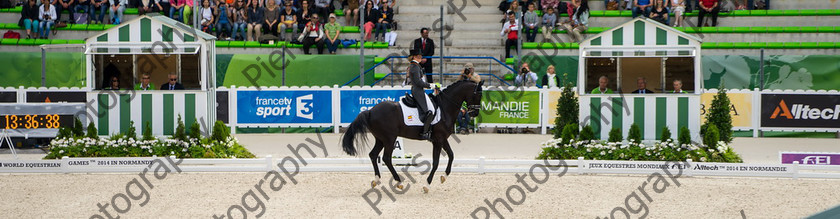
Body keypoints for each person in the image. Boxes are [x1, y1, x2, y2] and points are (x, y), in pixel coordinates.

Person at [405, 44, 439, 140]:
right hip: (417, 91)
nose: (421, 57)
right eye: (420, 55)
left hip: (419, 90)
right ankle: (424, 132)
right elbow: (418, 82)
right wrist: (430, 85)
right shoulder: (414, 67)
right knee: (429, 111)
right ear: (416, 56)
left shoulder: (416, 66)